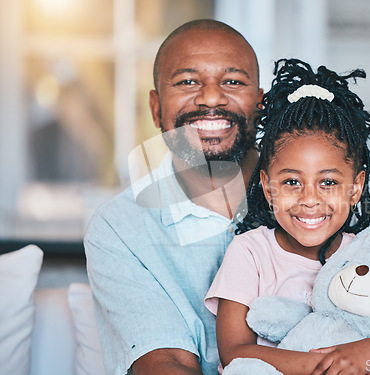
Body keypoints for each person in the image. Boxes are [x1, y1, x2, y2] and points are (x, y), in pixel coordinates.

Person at [205, 59, 370, 374]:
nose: (310, 199)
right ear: (268, 188)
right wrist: (327, 367)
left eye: (328, 182)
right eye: (291, 182)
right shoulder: (250, 252)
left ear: (356, 188)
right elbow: (234, 353)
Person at [84, 19, 263, 375]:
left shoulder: (327, 199)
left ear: (259, 104)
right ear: (155, 108)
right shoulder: (118, 228)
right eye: (187, 82)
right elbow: (166, 363)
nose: (212, 97)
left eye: (232, 81)